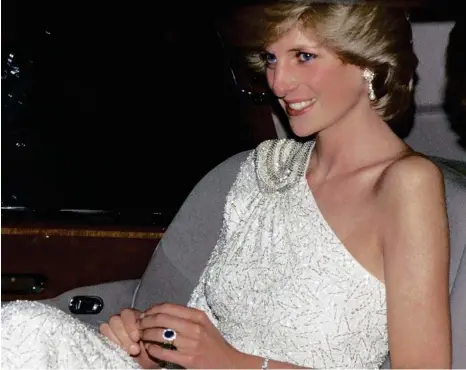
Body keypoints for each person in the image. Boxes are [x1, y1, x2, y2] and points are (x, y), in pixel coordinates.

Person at [1, 1, 452, 369]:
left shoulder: (406, 184)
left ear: (368, 63)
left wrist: (234, 364)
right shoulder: (262, 171)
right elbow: (199, 335)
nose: (279, 81)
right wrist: (149, 344)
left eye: (305, 57)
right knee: (21, 328)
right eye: (272, 58)